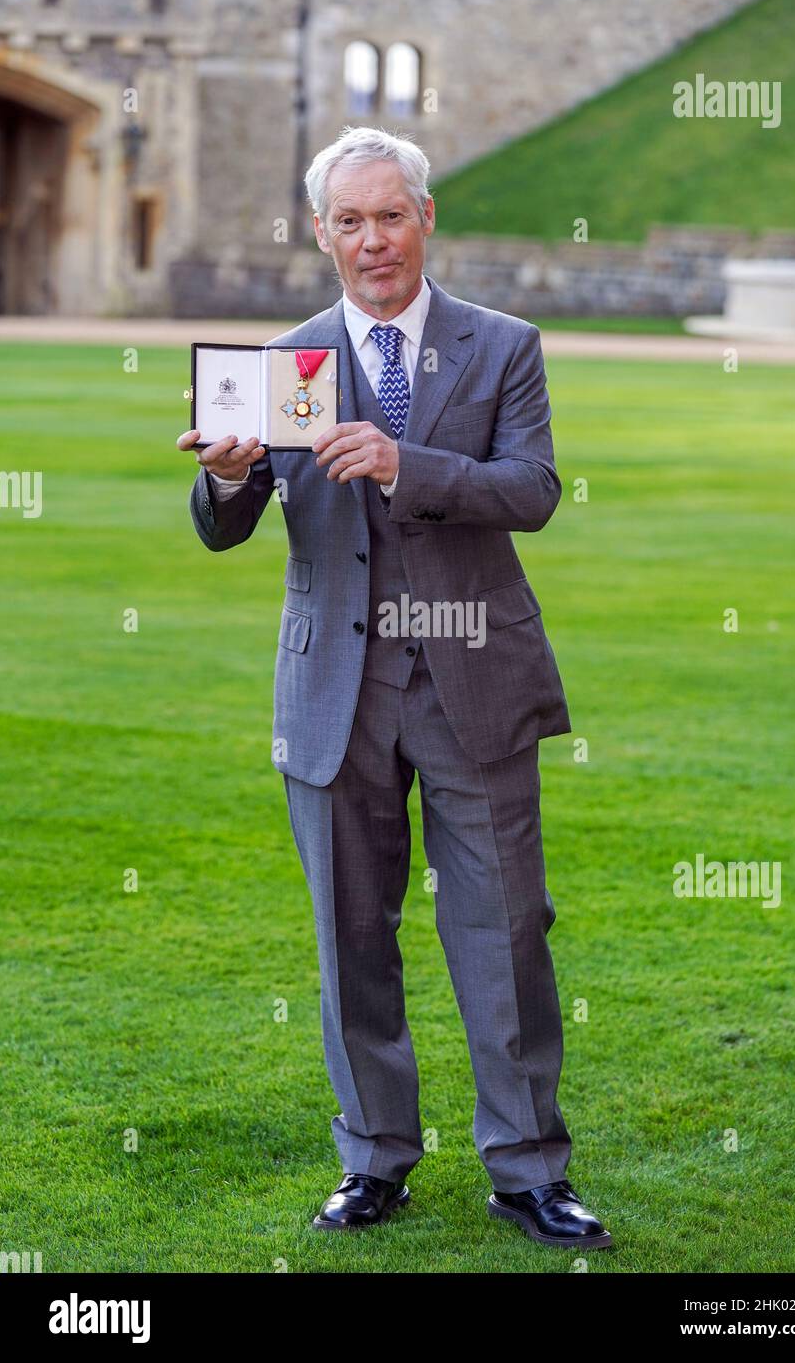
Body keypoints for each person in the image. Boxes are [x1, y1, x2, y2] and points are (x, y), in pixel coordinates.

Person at [177, 125, 613, 1251]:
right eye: (349, 220)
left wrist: (405, 463)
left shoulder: (501, 344)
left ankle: (526, 1171)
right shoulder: (288, 365)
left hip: (473, 675)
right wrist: (228, 481)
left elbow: (533, 488)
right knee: (348, 937)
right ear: (322, 234)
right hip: (335, 691)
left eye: (390, 215)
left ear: (425, 219)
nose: (372, 240)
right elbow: (228, 528)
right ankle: (373, 1160)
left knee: (504, 931)